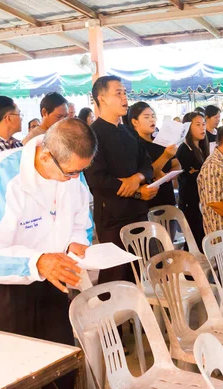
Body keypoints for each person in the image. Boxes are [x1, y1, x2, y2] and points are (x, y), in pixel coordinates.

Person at [0, 118, 97, 389]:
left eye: (80, 172)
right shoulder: (1, 176)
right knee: (10, 374)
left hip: (51, 279)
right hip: (3, 289)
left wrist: (78, 242)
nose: (75, 179)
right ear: (45, 155)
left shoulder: (71, 168)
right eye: (70, 173)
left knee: (60, 363)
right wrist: (37, 261)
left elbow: (84, 217)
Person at [85, 76, 158, 285]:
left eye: (125, 92)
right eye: (118, 93)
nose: (125, 97)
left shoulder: (128, 131)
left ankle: (139, 317)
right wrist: (137, 191)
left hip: (138, 212)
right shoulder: (92, 135)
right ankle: (113, 318)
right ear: (102, 99)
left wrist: (138, 177)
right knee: (116, 277)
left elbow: (147, 164)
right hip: (112, 217)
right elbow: (97, 179)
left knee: (142, 272)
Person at [128, 102, 179, 211]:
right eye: (146, 117)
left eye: (153, 116)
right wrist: (165, 156)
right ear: (135, 122)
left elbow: (176, 164)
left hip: (168, 199)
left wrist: (168, 175)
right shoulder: (134, 145)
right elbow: (145, 174)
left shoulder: (161, 141)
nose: (152, 120)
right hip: (148, 204)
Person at [176, 111, 209, 250]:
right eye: (198, 125)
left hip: (202, 200)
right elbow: (190, 176)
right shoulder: (184, 149)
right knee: (193, 242)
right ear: (188, 127)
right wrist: (198, 173)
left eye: (203, 124)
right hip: (190, 202)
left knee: (203, 239)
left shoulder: (202, 147)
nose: (202, 128)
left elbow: (199, 173)